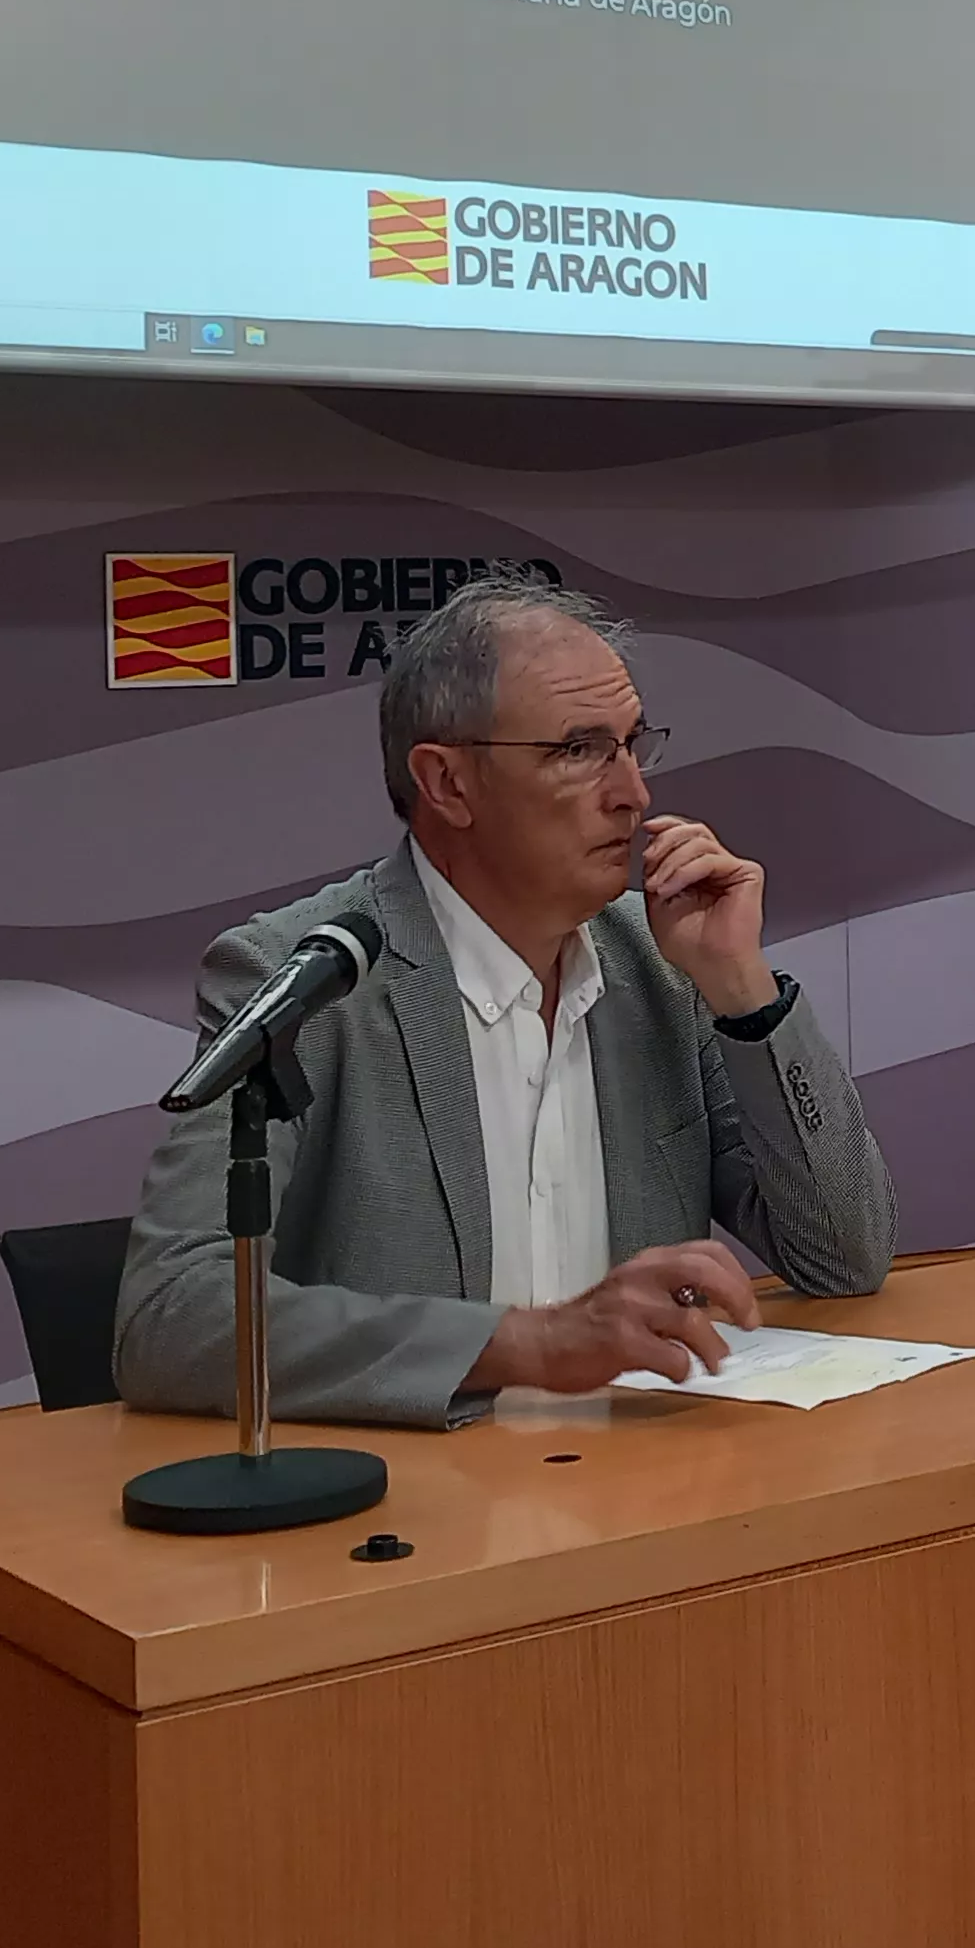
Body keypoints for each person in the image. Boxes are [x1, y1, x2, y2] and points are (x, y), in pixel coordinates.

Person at [112, 577, 894, 1428]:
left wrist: (743, 993)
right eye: (579, 750)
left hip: (647, 1474)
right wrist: (533, 1344)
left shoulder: (665, 966)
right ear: (448, 783)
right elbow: (170, 1318)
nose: (634, 794)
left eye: (633, 745)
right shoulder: (309, 982)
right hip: (417, 1492)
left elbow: (841, 1257)